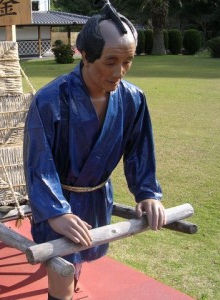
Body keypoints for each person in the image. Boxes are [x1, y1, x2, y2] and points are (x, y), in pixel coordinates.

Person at [23, 2, 166, 300]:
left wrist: (147, 193)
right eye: (111, 61)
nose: (120, 72)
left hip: (98, 196)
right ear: (85, 55)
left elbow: (140, 150)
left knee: (81, 257)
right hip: (59, 200)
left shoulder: (133, 99)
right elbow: (40, 163)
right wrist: (55, 212)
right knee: (62, 269)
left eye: (128, 61)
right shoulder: (49, 101)